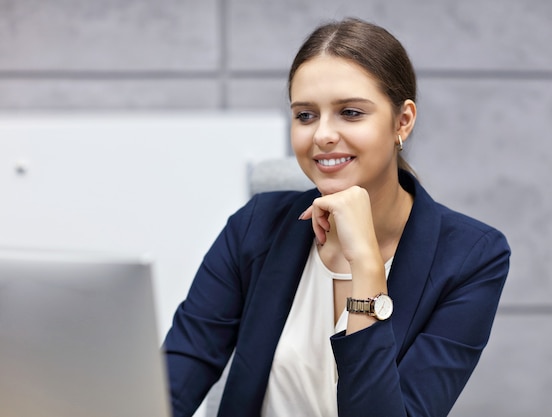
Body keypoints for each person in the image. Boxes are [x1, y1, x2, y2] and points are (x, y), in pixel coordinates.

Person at [163, 17, 510, 417]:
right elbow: (172, 388)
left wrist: (365, 263)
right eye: (305, 115)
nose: (322, 135)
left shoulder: (471, 256)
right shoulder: (255, 226)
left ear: (403, 121)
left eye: (349, 112)